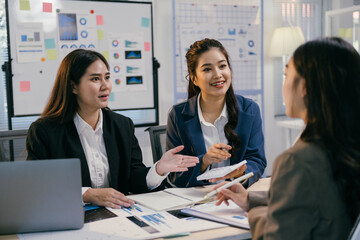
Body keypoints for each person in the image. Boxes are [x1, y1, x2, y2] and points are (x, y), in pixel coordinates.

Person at [214, 37, 360, 239]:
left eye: (286, 75)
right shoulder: (346, 146)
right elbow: (314, 198)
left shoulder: (298, 161)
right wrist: (250, 199)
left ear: (305, 87)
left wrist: (256, 213)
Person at [26, 49, 199, 209]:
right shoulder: (45, 131)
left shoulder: (122, 125)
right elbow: (38, 187)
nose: (105, 86)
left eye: (107, 77)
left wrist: (159, 169)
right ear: (73, 86)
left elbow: (134, 180)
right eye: (95, 79)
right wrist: (86, 194)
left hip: (117, 218)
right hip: (70, 217)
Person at [166, 38, 266, 188]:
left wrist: (240, 175)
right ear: (194, 79)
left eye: (222, 66)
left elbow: (257, 160)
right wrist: (204, 160)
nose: (218, 74)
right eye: (207, 69)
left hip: (235, 194)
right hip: (195, 199)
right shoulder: (178, 115)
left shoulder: (250, 110)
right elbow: (175, 174)